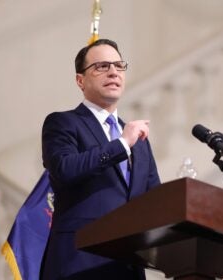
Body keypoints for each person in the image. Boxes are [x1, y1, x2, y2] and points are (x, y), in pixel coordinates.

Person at [40, 39, 161, 280]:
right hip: (78, 263)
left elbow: (156, 200)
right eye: (102, 66)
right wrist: (122, 144)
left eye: (118, 66)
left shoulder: (139, 141)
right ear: (80, 80)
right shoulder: (63, 123)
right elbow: (64, 169)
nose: (113, 72)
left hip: (128, 266)